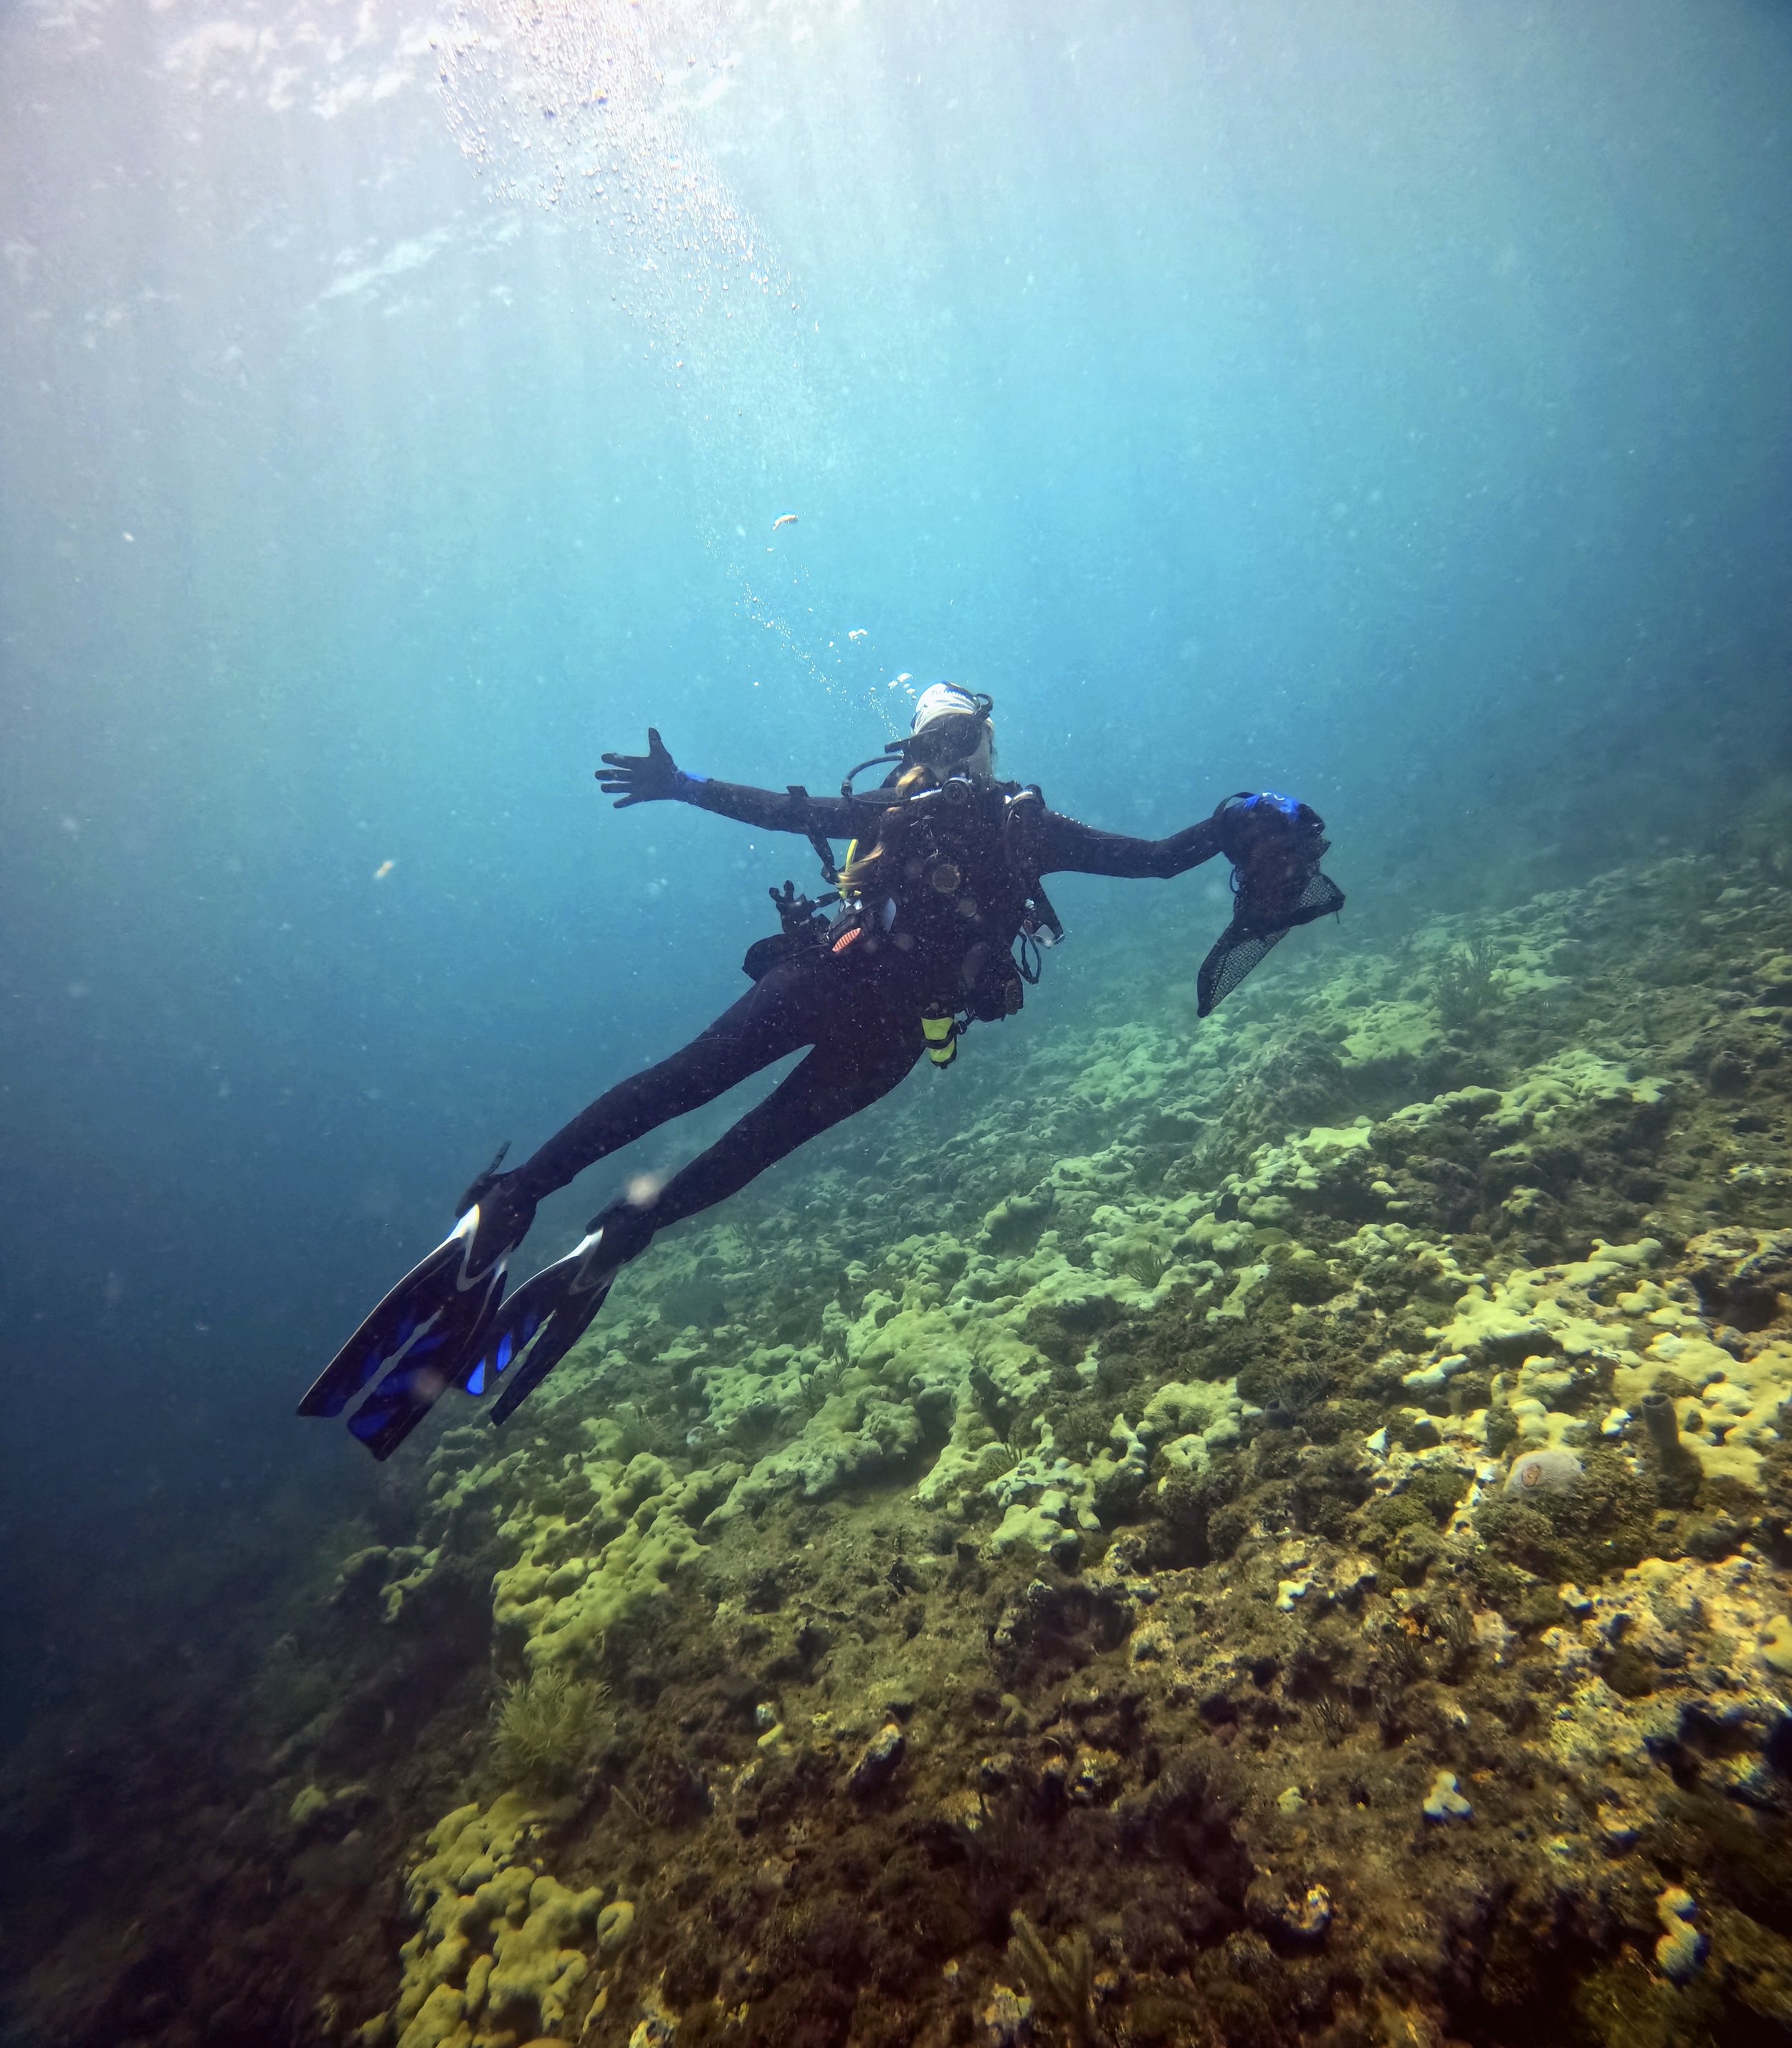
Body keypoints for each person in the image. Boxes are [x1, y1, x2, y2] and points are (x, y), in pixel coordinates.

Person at [300, 684, 1343, 1457]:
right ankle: (588, 1229)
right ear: (944, 748)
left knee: (696, 1092)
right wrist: (1236, 821)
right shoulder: (1004, 823)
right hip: (872, 1024)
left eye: (959, 736)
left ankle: (537, 1211)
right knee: (721, 1125)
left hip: (845, 1002)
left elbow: (800, 814)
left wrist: (684, 784)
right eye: (941, 739)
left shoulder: (958, 818)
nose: (951, 753)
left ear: (972, 742)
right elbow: (1156, 857)